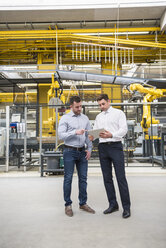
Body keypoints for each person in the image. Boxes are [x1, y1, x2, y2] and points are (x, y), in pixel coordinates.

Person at [89, 94, 131, 218]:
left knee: (120, 178)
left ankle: (126, 208)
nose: (101, 106)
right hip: (103, 148)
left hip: (115, 146)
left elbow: (124, 130)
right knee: (107, 178)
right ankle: (113, 204)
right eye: (99, 105)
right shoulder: (98, 116)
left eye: (103, 104)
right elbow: (96, 131)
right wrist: (92, 136)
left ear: (108, 101)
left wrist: (111, 135)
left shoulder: (119, 113)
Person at [58, 95, 95, 217]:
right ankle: (67, 205)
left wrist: (89, 149)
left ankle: (83, 203)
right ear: (71, 106)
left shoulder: (85, 118)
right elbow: (61, 135)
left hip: (82, 152)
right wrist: (75, 132)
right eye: (77, 107)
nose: (79, 109)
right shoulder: (65, 118)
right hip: (69, 151)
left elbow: (89, 136)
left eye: (80, 106)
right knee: (68, 178)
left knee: (83, 179)